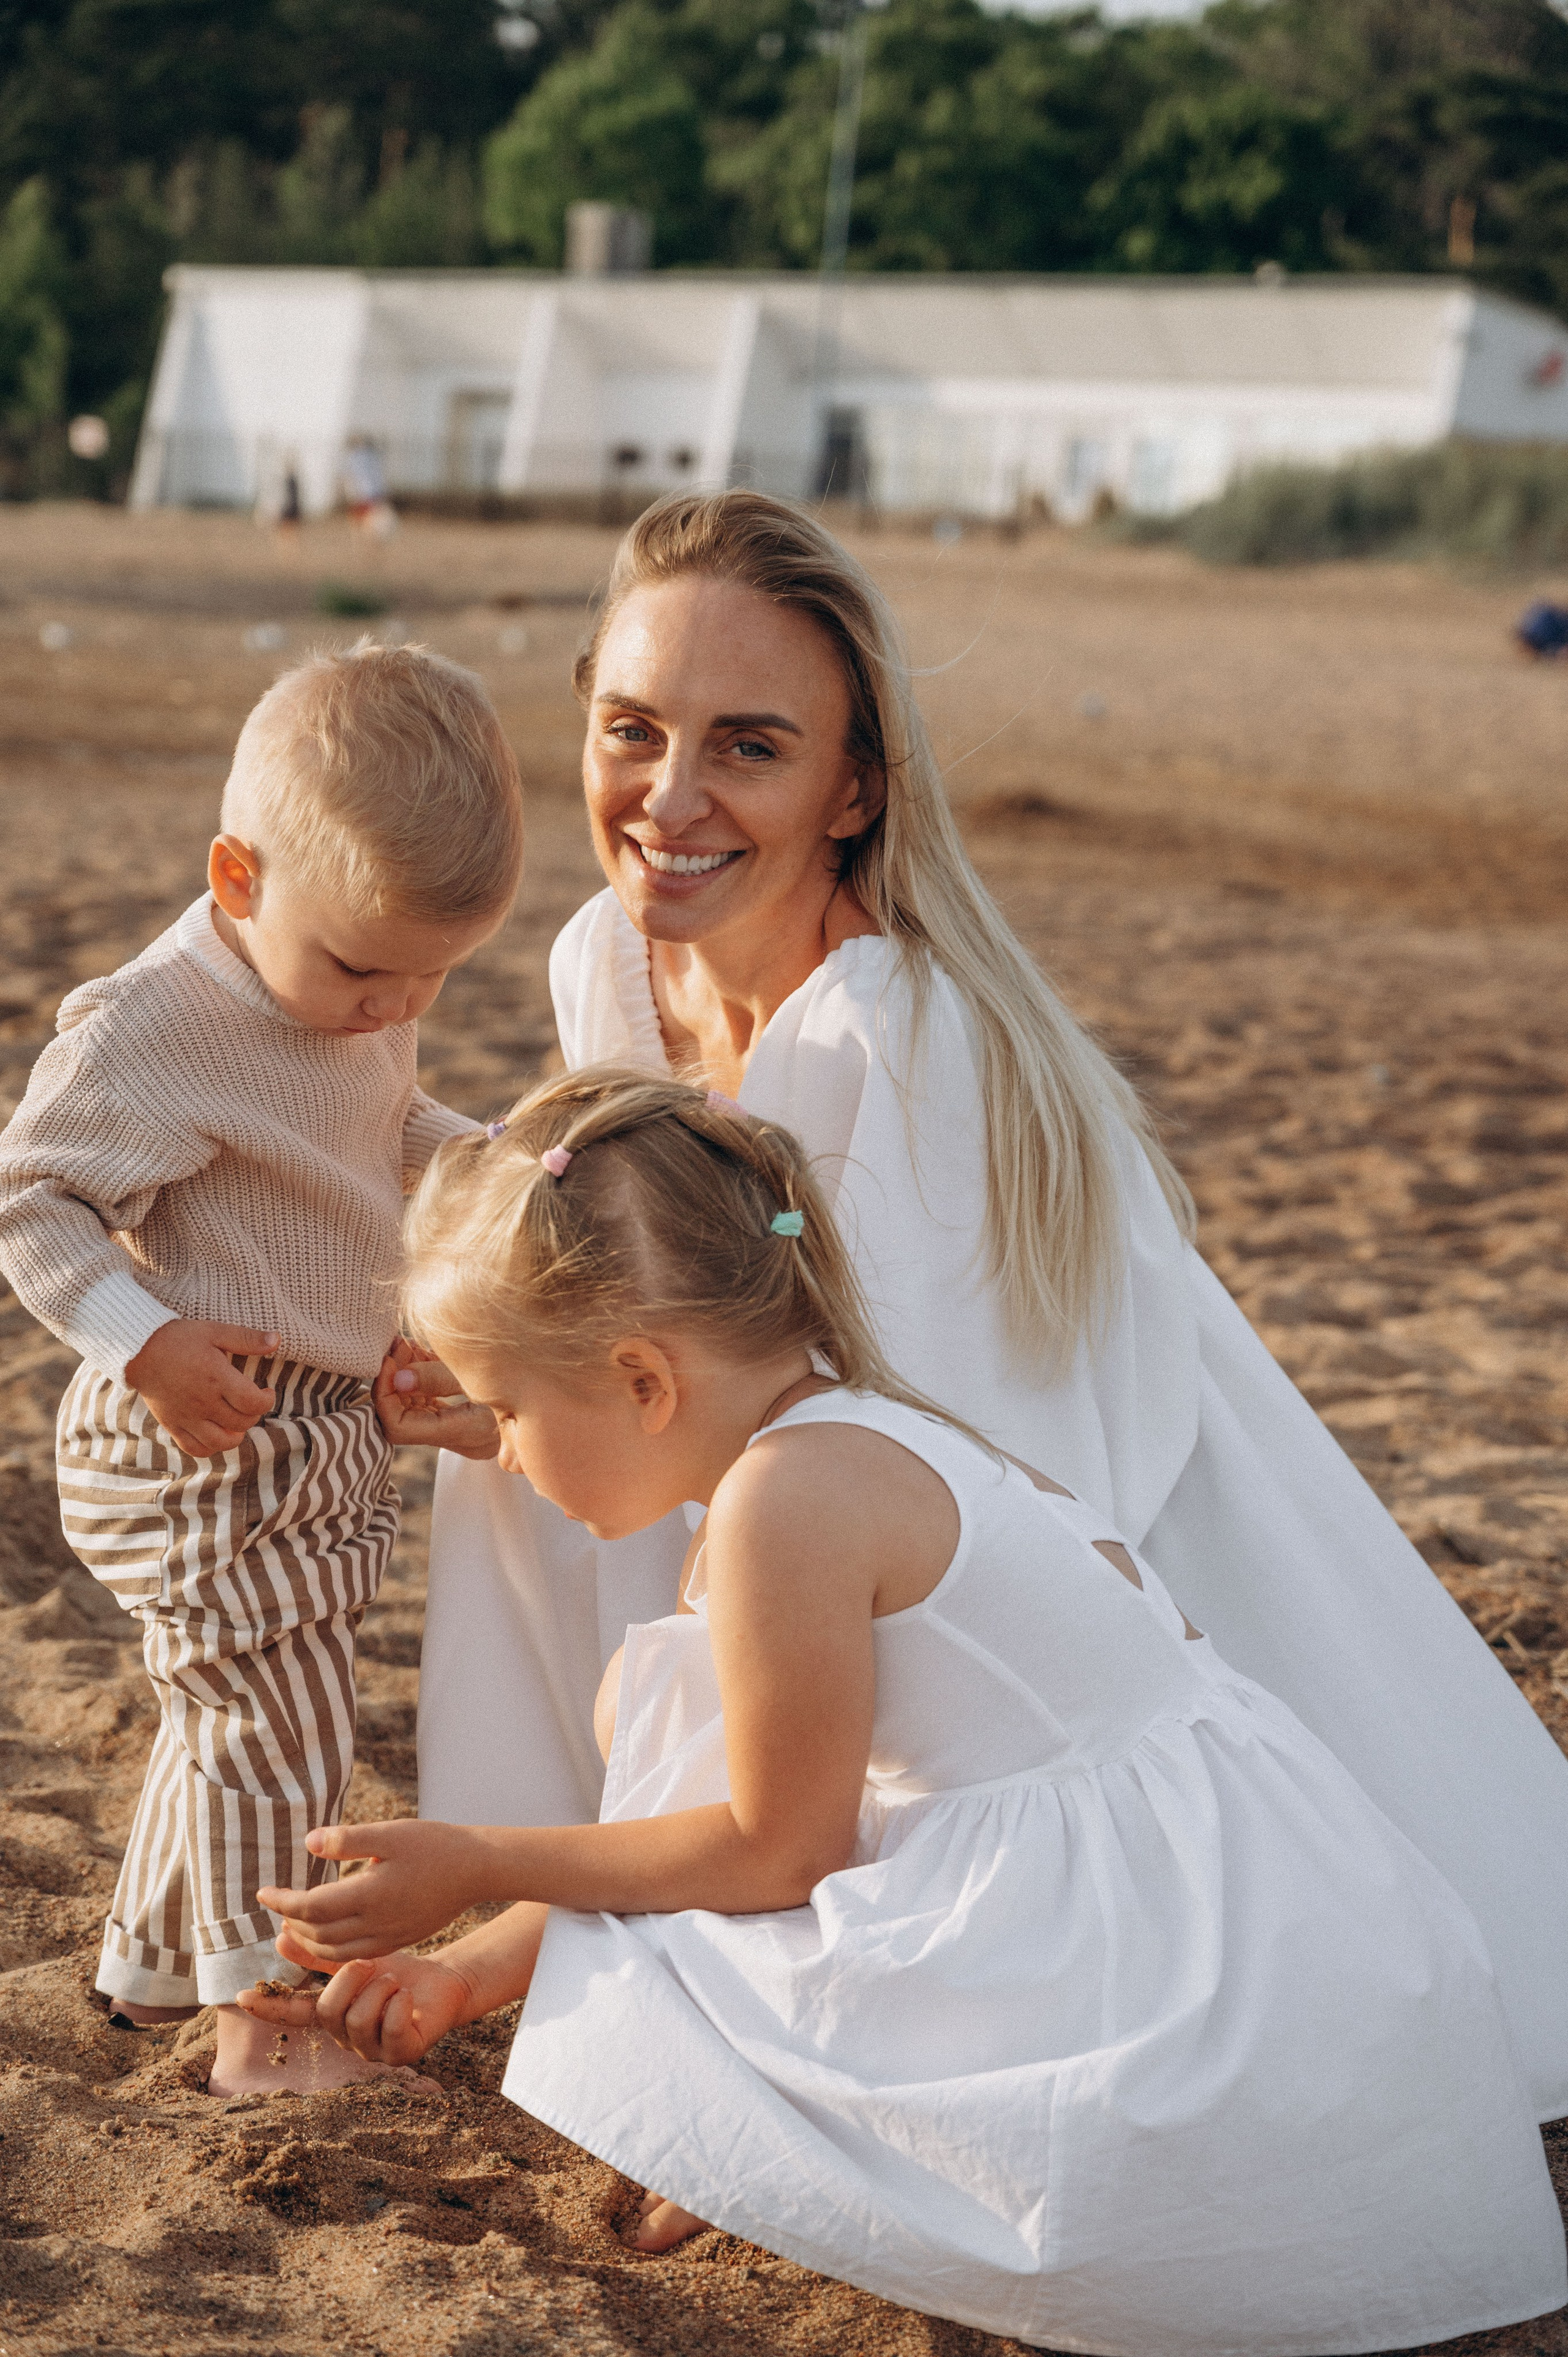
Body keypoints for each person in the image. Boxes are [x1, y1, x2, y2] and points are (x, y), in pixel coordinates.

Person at [397, 488, 1568, 2124]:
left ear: (854, 788)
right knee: (517, 1444)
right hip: (786, 1457)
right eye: (631, 728)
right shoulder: (607, 959)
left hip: (1018, 1486)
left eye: (749, 747)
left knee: (766, 1518)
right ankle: (612, 1922)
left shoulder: (911, 1038)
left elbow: (961, 1469)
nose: (668, 798)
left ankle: (744, 1984)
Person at [244, 1069, 1567, 2355]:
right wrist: (463, 1975)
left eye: (510, 1409)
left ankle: (776, 2154)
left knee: (769, 1903)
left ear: (644, 1380)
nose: (505, 1451)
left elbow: (772, 1853)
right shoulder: (847, 1423)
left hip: (1171, 1980)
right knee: (729, 1847)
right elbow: (716, 1814)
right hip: (1256, 1909)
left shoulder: (787, 1508)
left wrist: (476, 1857)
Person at [0, 643, 522, 2096]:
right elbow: (28, 1199)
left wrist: (487, 1163)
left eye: (429, 973)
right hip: (193, 1432)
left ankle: (151, 1973)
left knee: (240, 1705)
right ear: (238, 879)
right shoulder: (155, 1026)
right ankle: (267, 2027)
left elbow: (379, 1121)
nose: (388, 1004)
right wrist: (143, 1338)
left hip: (319, 1424)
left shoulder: (354, 982)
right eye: (363, 968)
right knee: (274, 1731)